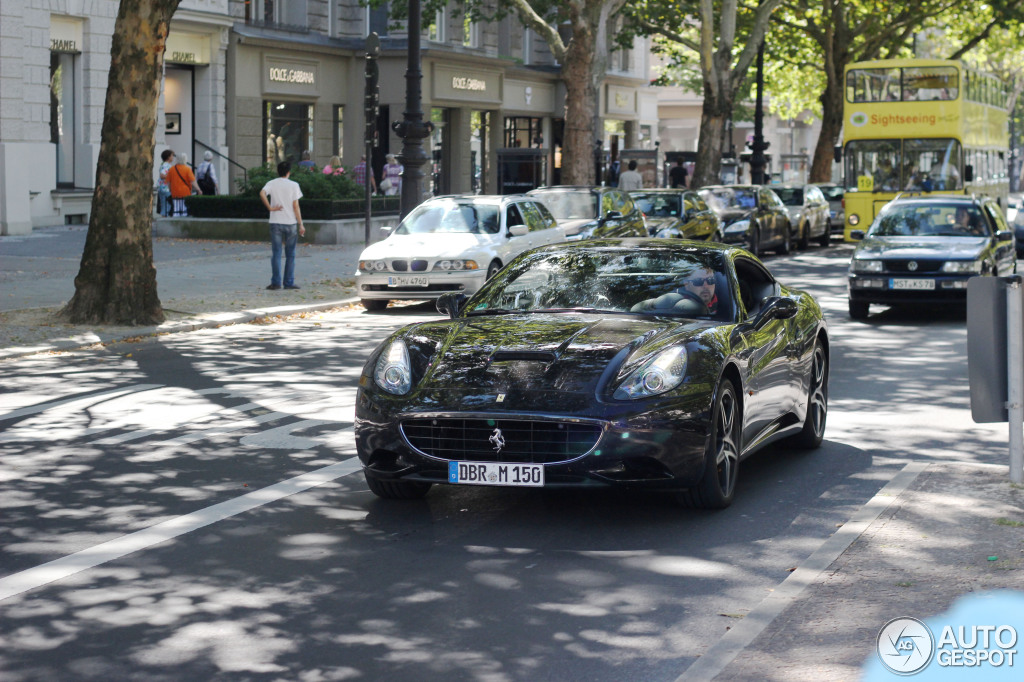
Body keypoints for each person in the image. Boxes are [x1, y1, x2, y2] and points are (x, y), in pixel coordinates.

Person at [259, 161, 306, 291]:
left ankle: (276, 282)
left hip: (275, 221)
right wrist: (300, 223)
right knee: (290, 254)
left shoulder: (272, 183)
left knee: (276, 253)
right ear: (288, 172)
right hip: (290, 222)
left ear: (278, 171)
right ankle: (289, 282)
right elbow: (296, 206)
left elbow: (262, 193)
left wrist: (270, 207)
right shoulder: (294, 185)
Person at [168, 152, 199, 217]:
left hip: (175, 191)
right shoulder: (187, 169)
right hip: (185, 192)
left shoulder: (172, 169)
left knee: (176, 210)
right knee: (184, 210)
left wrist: (170, 189)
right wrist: (198, 189)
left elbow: (169, 181)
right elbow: (192, 181)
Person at [157, 149, 174, 217]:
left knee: (165, 205)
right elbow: (162, 175)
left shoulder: (164, 164)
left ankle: (163, 218)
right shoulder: (166, 165)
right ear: (168, 157)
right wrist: (171, 178)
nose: (173, 157)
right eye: (172, 155)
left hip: (163, 187)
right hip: (165, 188)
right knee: (167, 206)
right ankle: (164, 220)